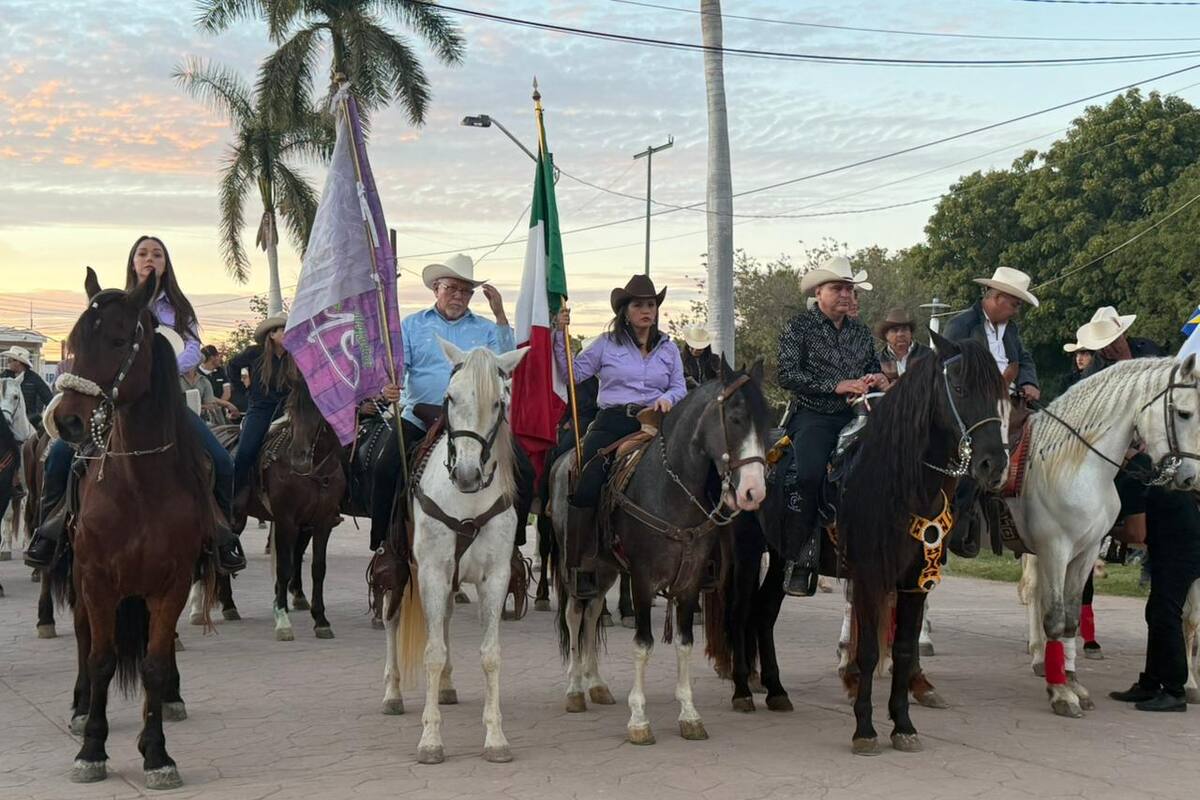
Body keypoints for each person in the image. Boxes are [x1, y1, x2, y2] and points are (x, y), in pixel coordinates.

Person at [25, 235, 245, 574]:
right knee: (59, 454)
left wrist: (163, 364)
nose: (150, 258)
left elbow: (193, 348)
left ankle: (221, 534)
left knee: (220, 461)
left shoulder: (179, 308)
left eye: (157, 254)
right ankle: (49, 530)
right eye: (143, 253)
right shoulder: (115, 306)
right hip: (114, 403)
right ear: (132, 261)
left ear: (165, 263)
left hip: (167, 403)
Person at [365, 254, 524, 553]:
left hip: (475, 419)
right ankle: (384, 541)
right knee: (385, 467)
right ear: (436, 288)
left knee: (523, 469)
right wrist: (390, 385)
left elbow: (507, 364)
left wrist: (501, 314)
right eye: (451, 288)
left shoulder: (488, 328)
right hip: (419, 413)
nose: (459, 296)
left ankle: (511, 545)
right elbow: (398, 367)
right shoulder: (412, 325)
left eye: (465, 291)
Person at [554, 274, 685, 597]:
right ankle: (582, 561)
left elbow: (679, 385)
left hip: (657, 422)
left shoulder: (669, 348)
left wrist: (668, 398)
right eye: (639, 305)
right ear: (625, 311)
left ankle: (696, 560)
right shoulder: (605, 344)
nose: (647, 310)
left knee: (696, 472)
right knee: (587, 481)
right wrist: (560, 334)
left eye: (651, 304)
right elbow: (572, 373)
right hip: (613, 421)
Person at [776, 256, 883, 596]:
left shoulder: (861, 332)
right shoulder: (798, 328)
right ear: (819, 292)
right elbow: (787, 375)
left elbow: (872, 368)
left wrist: (876, 377)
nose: (845, 295)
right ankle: (802, 558)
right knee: (808, 474)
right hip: (814, 415)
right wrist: (836, 384)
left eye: (849, 289)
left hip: (857, 414)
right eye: (838, 288)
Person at [943, 266, 1040, 558]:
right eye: (1014, 304)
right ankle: (959, 522)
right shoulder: (962, 325)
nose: (1016, 311)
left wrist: (1028, 381)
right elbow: (951, 368)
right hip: (975, 405)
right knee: (984, 451)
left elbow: (1024, 358)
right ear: (997, 297)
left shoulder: (1011, 329)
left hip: (1009, 400)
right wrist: (996, 383)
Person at [227, 313, 291, 520]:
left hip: (290, 409)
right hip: (261, 409)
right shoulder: (254, 353)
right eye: (282, 330)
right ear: (271, 334)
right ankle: (232, 496)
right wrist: (241, 392)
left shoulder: (296, 355)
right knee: (246, 452)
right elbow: (232, 366)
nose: (287, 333)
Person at [876, 308, 932, 382]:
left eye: (904, 329)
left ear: (910, 333)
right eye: (895, 330)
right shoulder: (877, 361)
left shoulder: (928, 355)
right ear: (886, 335)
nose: (900, 334)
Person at [1, 345, 52, 426]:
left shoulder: (35, 379)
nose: (7, 362)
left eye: (10, 360)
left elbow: (49, 399)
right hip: (6, 422)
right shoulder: (4, 377)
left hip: (29, 423)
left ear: (18, 362)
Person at [199, 345, 237, 422]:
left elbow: (227, 392)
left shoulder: (221, 371)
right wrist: (226, 404)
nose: (220, 358)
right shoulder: (197, 373)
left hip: (219, 410)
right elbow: (206, 395)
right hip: (203, 411)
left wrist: (219, 406)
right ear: (212, 357)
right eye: (218, 355)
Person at [681, 325, 721, 389]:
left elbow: (720, 377)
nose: (694, 351)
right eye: (691, 348)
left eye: (699, 349)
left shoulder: (714, 359)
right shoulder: (680, 359)